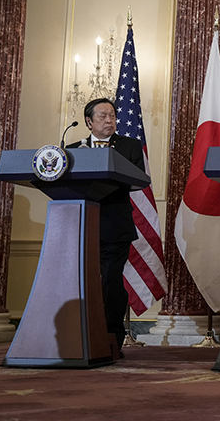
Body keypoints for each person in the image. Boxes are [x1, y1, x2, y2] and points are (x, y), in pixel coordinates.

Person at [67, 98, 146, 358]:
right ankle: (78, 335)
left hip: (115, 224)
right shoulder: (72, 149)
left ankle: (112, 338)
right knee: (81, 281)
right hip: (81, 224)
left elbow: (136, 180)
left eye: (112, 115)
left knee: (110, 280)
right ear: (89, 121)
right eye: (102, 116)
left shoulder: (129, 146)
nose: (109, 120)